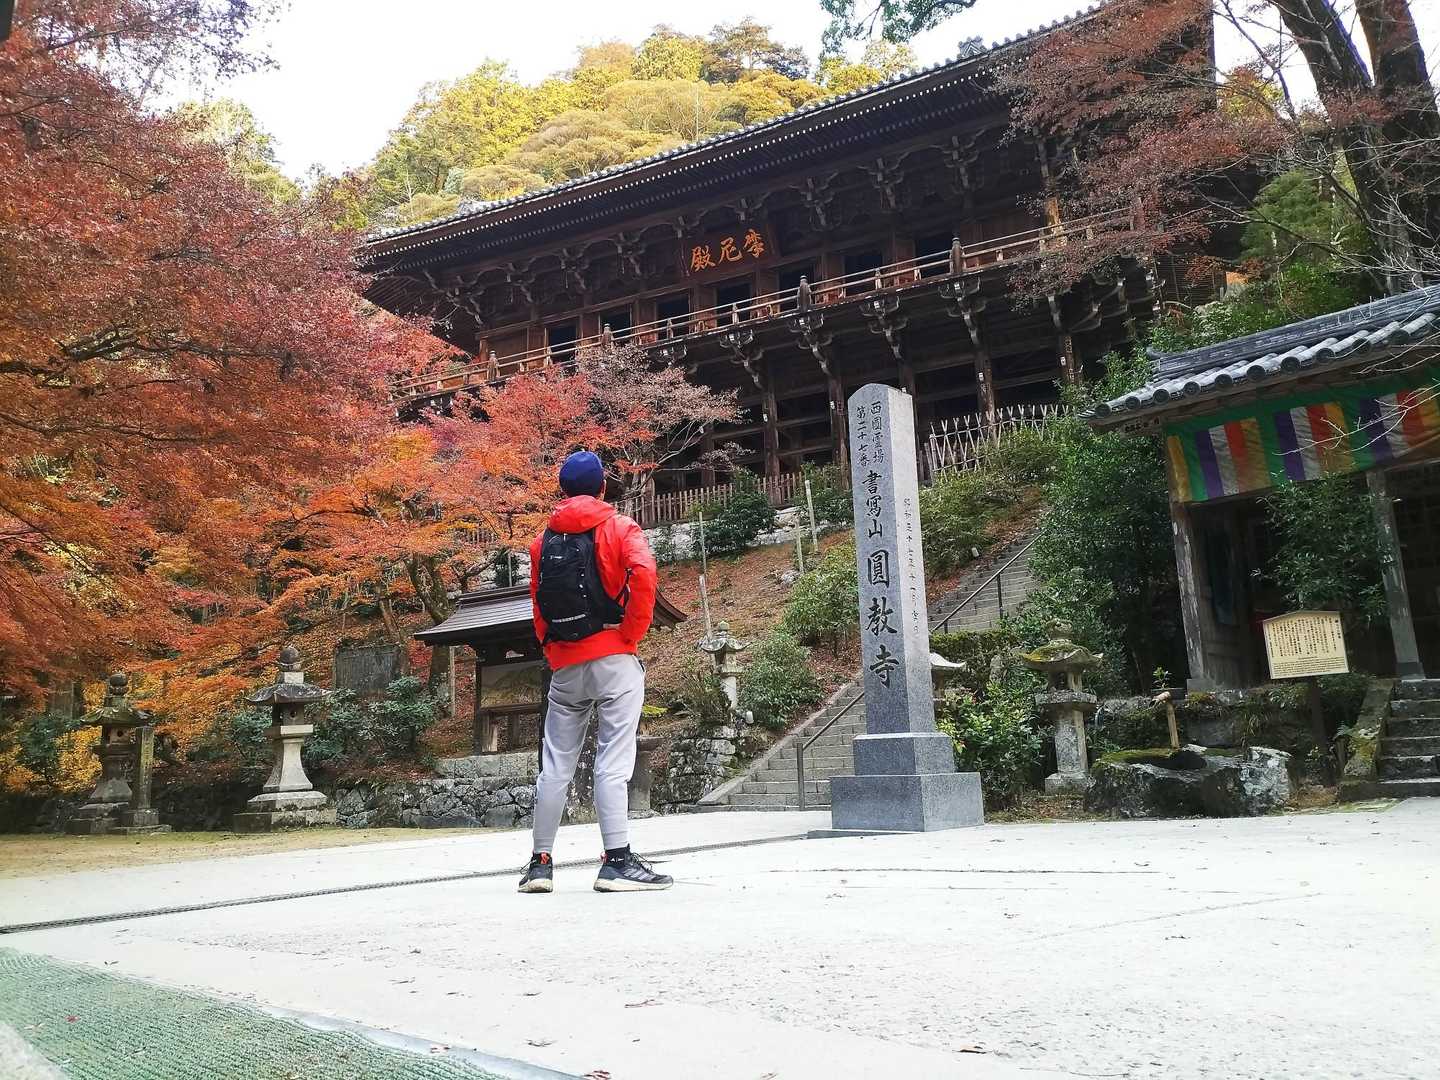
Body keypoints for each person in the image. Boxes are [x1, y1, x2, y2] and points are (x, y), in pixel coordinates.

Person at [518, 450, 673, 894]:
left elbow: (537, 598)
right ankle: (617, 861)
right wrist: (631, 633)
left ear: (563, 491)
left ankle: (540, 864)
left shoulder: (543, 541)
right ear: (603, 487)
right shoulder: (620, 527)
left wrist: (550, 646)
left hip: (565, 664)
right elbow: (643, 573)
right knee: (612, 761)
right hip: (613, 659)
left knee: (554, 766)